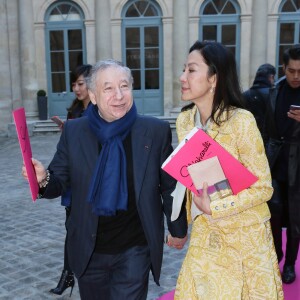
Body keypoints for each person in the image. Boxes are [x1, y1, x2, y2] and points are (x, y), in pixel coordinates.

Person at [22, 59, 188, 299]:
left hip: (135, 248)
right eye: (108, 88)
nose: (118, 95)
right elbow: (58, 182)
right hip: (89, 252)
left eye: (124, 86)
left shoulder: (154, 131)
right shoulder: (75, 131)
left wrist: (178, 228)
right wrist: (43, 178)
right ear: (94, 95)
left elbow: (170, 186)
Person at [172, 41, 283, 299]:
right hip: (205, 232)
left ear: (214, 78)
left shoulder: (241, 121)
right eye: (183, 70)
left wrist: (217, 207)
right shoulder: (184, 121)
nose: (182, 77)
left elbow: (264, 187)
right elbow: (191, 178)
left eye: (191, 70)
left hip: (244, 237)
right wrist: (180, 223)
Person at [49, 64, 92, 296]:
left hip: (90, 177)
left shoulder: (98, 110)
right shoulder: (74, 111)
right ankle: (67, 275)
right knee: (71, 228)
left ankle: (81, 272)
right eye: (74, 84)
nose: (76, 88)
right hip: (73, 176)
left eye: (80, 83)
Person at [264, 44, 300, 284]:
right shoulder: (274, 92)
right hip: (276, 162)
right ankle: (274, 258)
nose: (296, 76)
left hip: (299, 165)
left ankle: (289, 265)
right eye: (291, 70)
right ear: (283, 69)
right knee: (273, 212)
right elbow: (266, 129)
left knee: (296, 219)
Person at [243, 63, 276, 142]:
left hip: (248, 140)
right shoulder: (273, 95)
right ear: (271, 77)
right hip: (268, 142)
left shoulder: (244, 95)